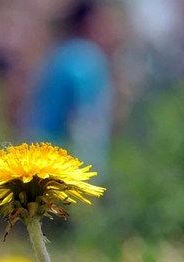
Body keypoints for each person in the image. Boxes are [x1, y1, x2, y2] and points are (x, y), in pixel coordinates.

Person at [23, 1, 114, 170]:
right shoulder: (87, 58)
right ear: (89, 22)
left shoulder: (57, 56)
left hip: (36, 151)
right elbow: (85, 117)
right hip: (66, 159)